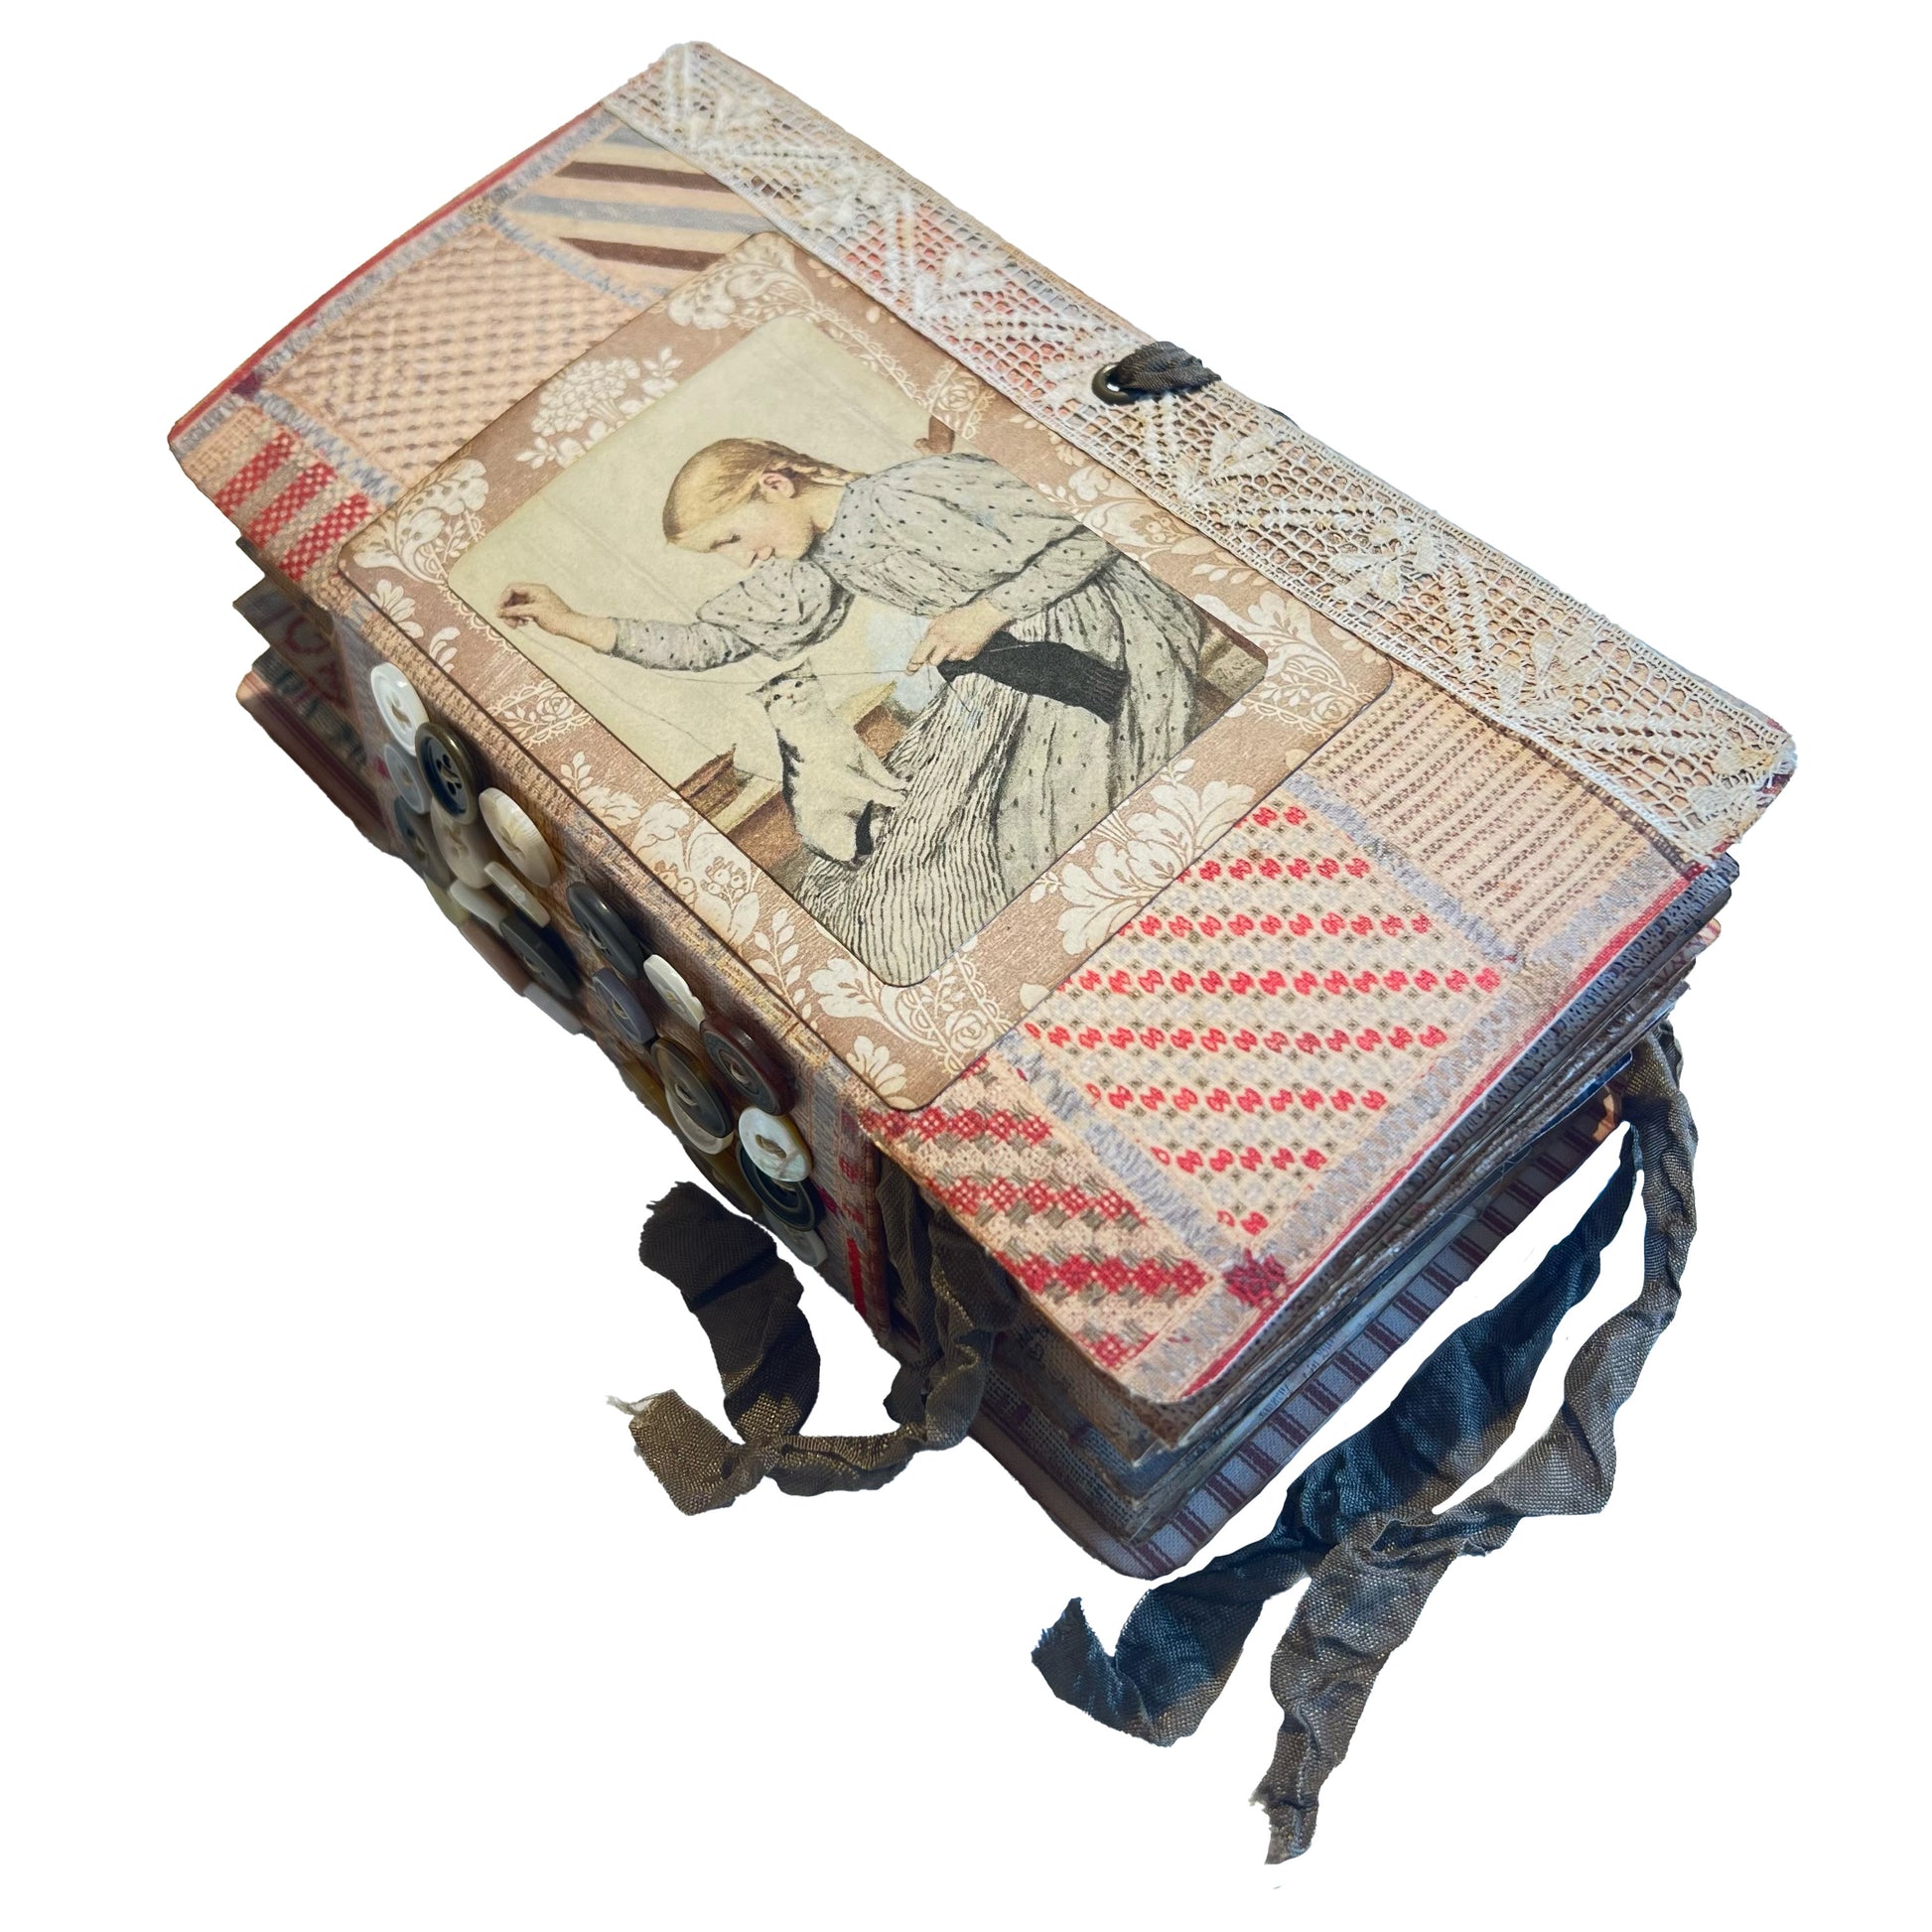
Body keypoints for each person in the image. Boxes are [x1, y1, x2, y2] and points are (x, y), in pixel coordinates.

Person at [498, 437, 1202, 982]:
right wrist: (573, 622)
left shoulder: (913, 491)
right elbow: (715, 641)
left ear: (776, 485)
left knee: (1006, 840)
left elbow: (1095, 528)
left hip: (1099, 630)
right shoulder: (815, 560)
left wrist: (986, 612)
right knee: (899, 863)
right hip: (1005, 662)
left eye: (731, 538)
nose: (741, 561)